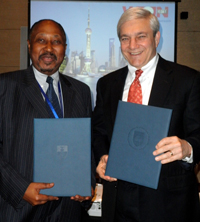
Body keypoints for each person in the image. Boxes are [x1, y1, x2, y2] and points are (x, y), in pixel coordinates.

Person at [93, 7, 200, 222]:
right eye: (125, 38)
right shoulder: (107, 84)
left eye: (140, 36)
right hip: (118, 200)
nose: (132, 46)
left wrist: (187, 147)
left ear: (156, 37)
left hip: (169, 203)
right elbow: (100, 132)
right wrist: (103, 157)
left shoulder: (187, 80)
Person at [0, 19, 95, 221]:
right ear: (29, 45)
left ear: (65, 49)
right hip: (19, 211)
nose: (49, 48)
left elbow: (87, 146)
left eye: (56, 41)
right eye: (41, 40)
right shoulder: (5, 87)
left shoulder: (81, 92)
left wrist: (87, 185)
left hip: (70, 211)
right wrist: (20, 189)